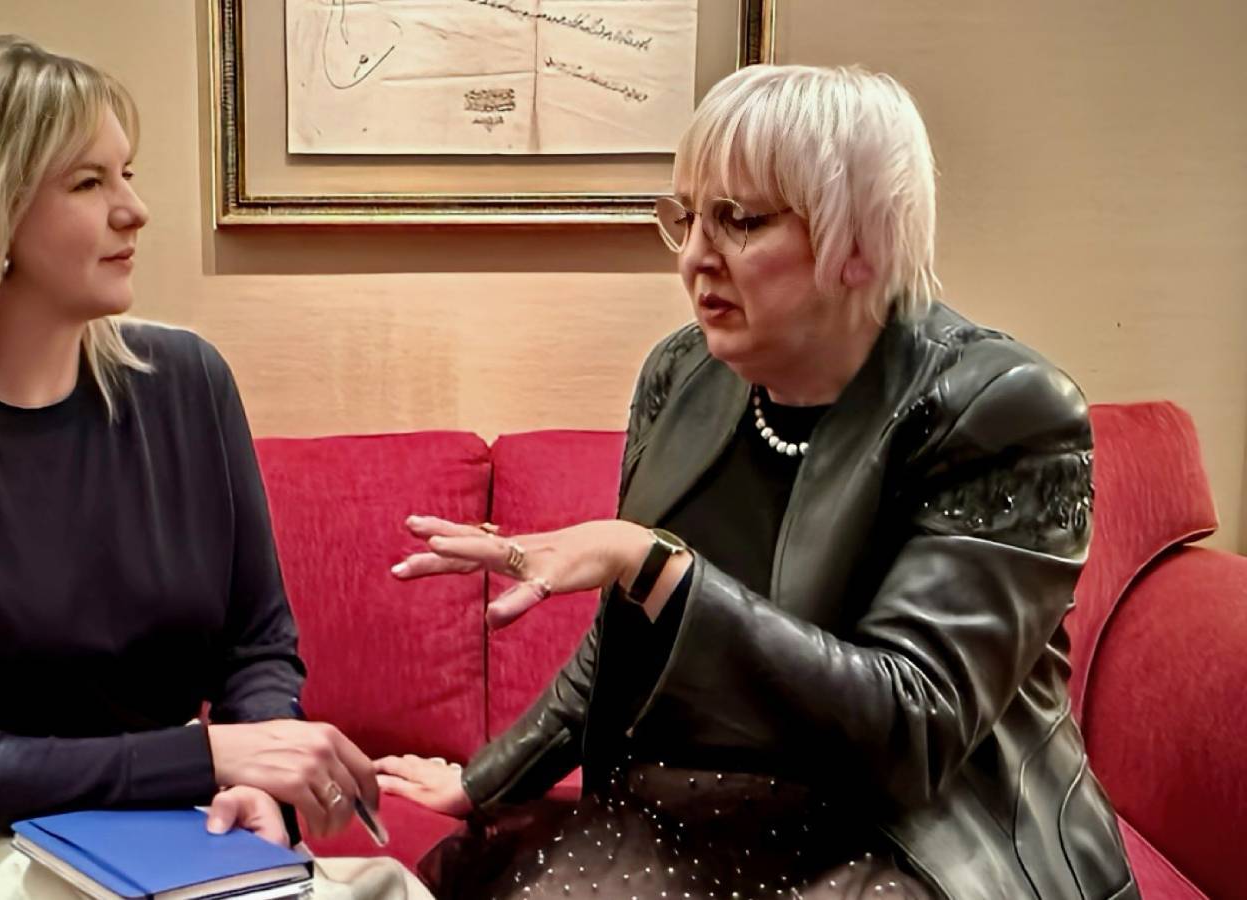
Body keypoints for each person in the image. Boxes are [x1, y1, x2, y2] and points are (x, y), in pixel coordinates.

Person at [376, 64, 1137, 900]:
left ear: (860, 241)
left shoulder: (1002, 407)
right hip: (725, 805)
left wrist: (658, 568)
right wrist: (483, 779)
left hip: (918, 833)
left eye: (739, 220)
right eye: (686, 217)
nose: (695, 257)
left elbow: (913, 734)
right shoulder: (681, 371)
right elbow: (625, 642)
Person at [0, 34, 428, 900]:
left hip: (151, 810)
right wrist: (211, 757)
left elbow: (256, 645)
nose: (135, 210)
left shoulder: (188, 383)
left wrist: (260, 783)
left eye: (127, 173)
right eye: (89, 183)